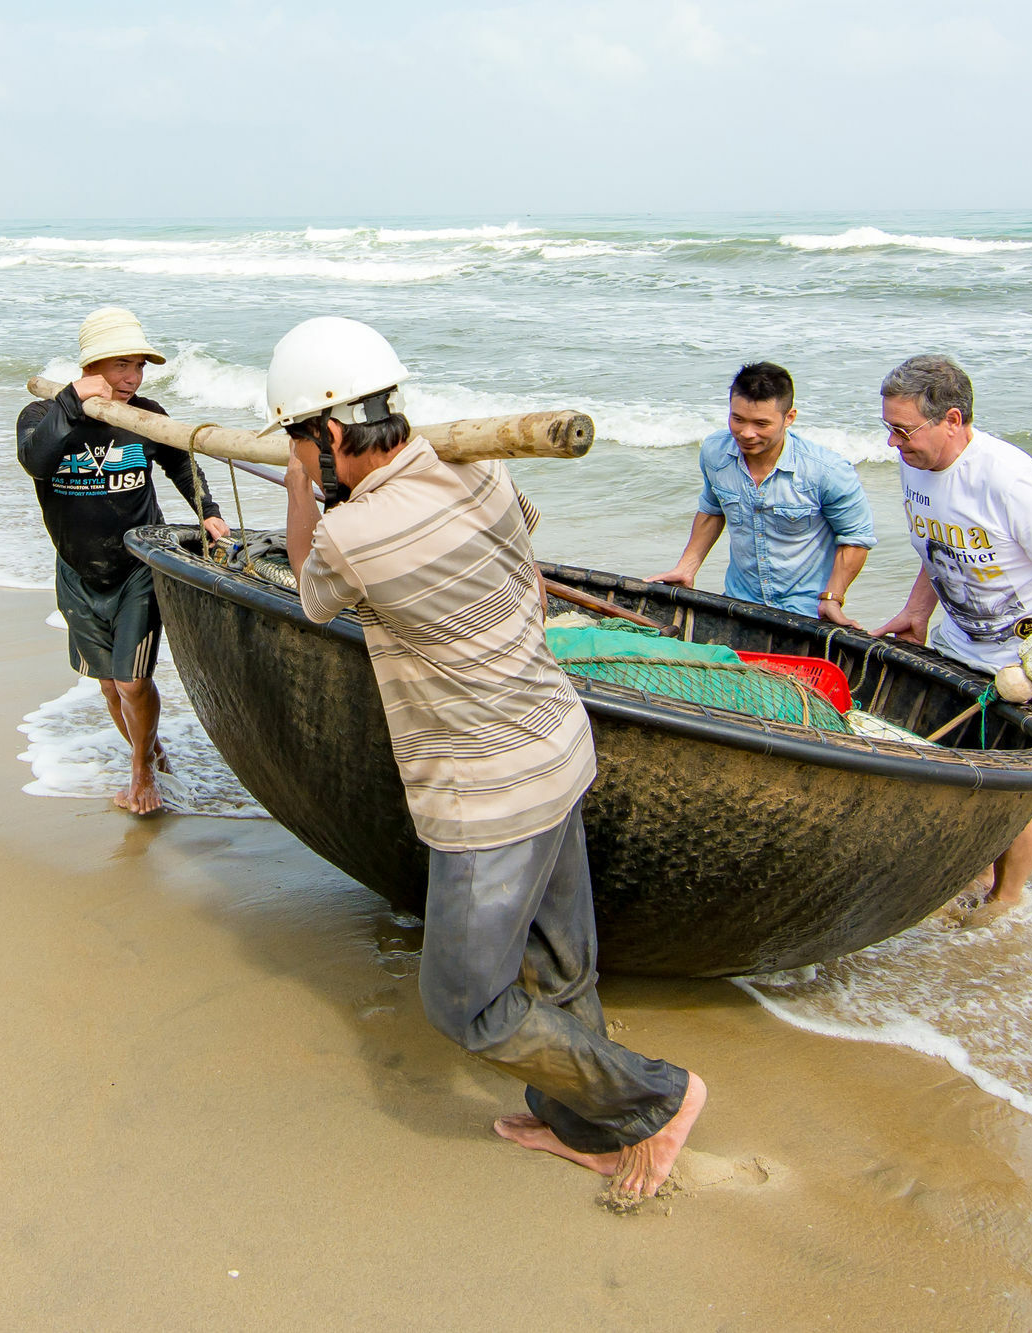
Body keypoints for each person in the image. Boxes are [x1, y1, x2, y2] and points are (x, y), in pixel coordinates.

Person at [275, 315, 705, 1202]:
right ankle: (583, 1124)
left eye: (299, 439)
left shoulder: (354, 536)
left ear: (325, 434)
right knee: (562, 966)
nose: (300, 454)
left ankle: (657, 1097)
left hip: (488, 792)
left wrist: (299, 488)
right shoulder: (484, 468)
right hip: (556, 742)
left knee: (465, 1000)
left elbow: (308, 586)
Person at [873, 354, 1032, 921]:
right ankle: (971, 868)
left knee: (1016, 783)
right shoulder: (916, 463)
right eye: (888, 428)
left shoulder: (1011, 479)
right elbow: (937, 544)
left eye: (903, 429)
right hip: (962, 639)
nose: (894, 444)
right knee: (957, 762)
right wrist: (915, 611)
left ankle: (1008, 898)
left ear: (952, 419)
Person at [17, 307, 230, 815]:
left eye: (138, 366)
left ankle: (141, 776)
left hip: (136, 564)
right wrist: (70, 404)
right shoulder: (44, 415)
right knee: (111, 685)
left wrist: (209, 512)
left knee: (134, 680)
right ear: (92, 367)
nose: (132, 378)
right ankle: (151, 752)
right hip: (77, 569)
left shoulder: (146, 414)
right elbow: (35, 461)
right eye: (120, 366)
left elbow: (180, 459)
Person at [648, 362, 875, 625]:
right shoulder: (715, 452)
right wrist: (687, 567)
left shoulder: (827, 471)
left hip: (806, 613)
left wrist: (832, 597)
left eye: (761, 424)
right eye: (738, 419)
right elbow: (712, 510)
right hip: (739, 602)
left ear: (789, 417)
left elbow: (856, 538)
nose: (746, 433)